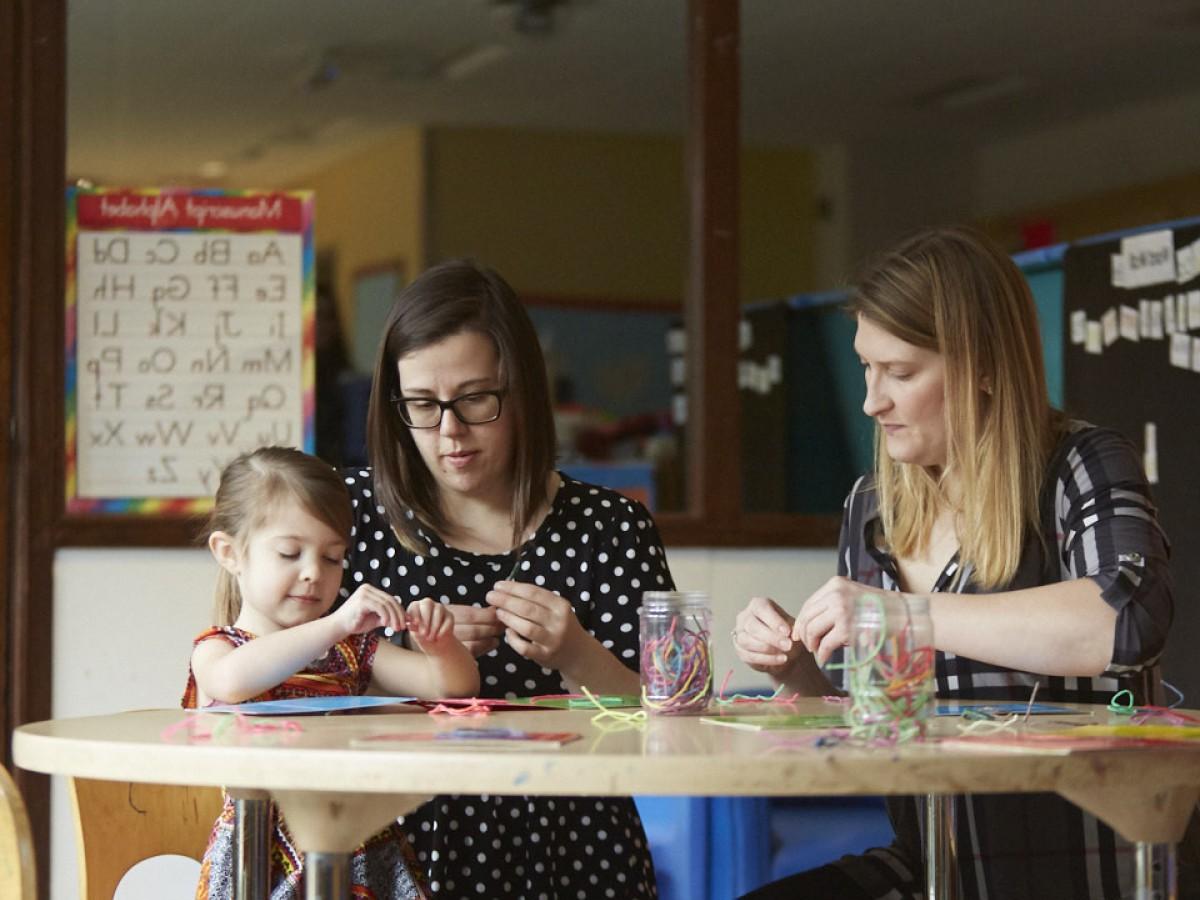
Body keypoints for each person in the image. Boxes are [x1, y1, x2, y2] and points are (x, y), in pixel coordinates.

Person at [732, 225, 1174, 900]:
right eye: (865, 368)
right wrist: (797, 670)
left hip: (1087, 876)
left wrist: (904, 614)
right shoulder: (873, 507)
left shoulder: (1081, 465)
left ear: (984, 366)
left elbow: (1127, 620)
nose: (870, 401)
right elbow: (878, 736)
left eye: (901, 373)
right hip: (935, 869)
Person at [341, 258, 673, 899]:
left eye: (474, 400)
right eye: (421, 405)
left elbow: (672, 718)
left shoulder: (610, 527)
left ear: (521, 390)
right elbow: (286, 668)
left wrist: (578, 653)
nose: (449, 432)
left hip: (576, 843)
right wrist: (407, 657)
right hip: (397, 839)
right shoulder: (354, 518)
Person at [182, 445, 479, 900]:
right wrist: (336, 623)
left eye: (332, 558)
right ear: (229, 552)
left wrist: (440, 646)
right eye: (289, 553)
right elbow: (230, 683)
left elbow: (452, 689)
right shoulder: (220, 649)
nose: (312, 574)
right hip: (258, 853)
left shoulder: (353, 649)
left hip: (358, 842)